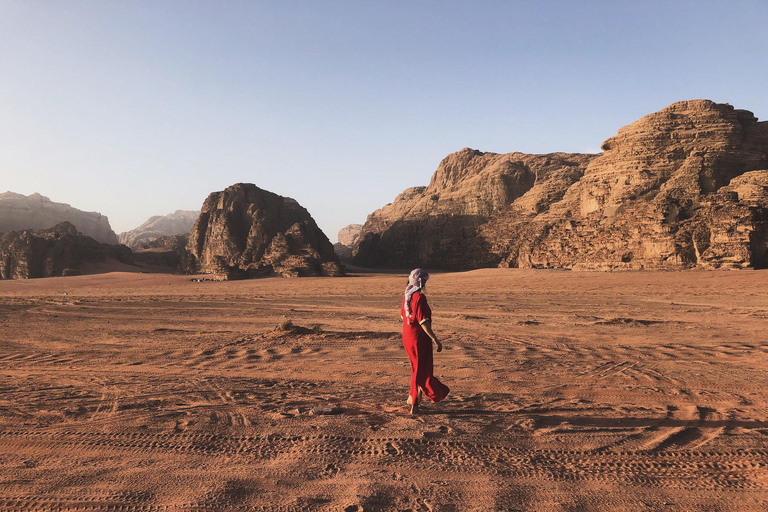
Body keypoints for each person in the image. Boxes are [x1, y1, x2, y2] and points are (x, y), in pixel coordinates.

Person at [400, 268, 450, 414]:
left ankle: (415, 398)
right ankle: (414, 404)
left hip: (407, 336)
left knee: (417, 368)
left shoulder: (406, 296)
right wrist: (435, 339)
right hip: (418, 338)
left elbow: (403, 317)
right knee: (420, 369)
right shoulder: (419, 298)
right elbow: (423, 322)